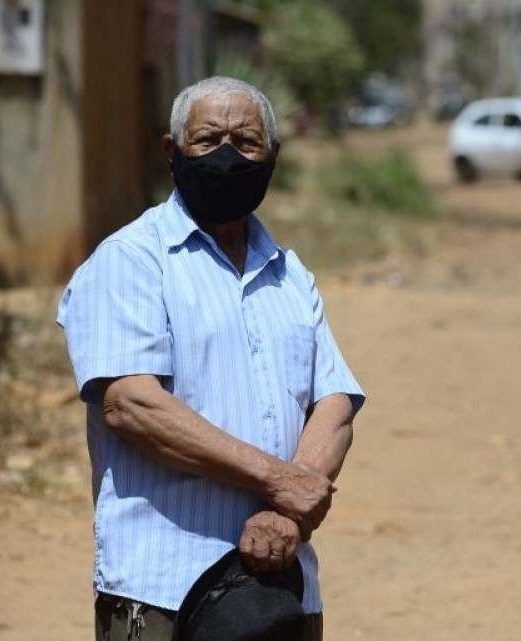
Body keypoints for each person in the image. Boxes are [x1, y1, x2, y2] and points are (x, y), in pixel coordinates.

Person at [57, 76, 364, 641]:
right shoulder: (130, 261)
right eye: (208, 140)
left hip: (280, 588)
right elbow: (132, 406)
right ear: (172, 152)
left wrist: (288, 513)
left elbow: (336, 403)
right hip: (164, 591)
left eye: (246, 142)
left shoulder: (289, 273)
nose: (228, 154)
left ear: (274, 156)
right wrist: (278, 480)